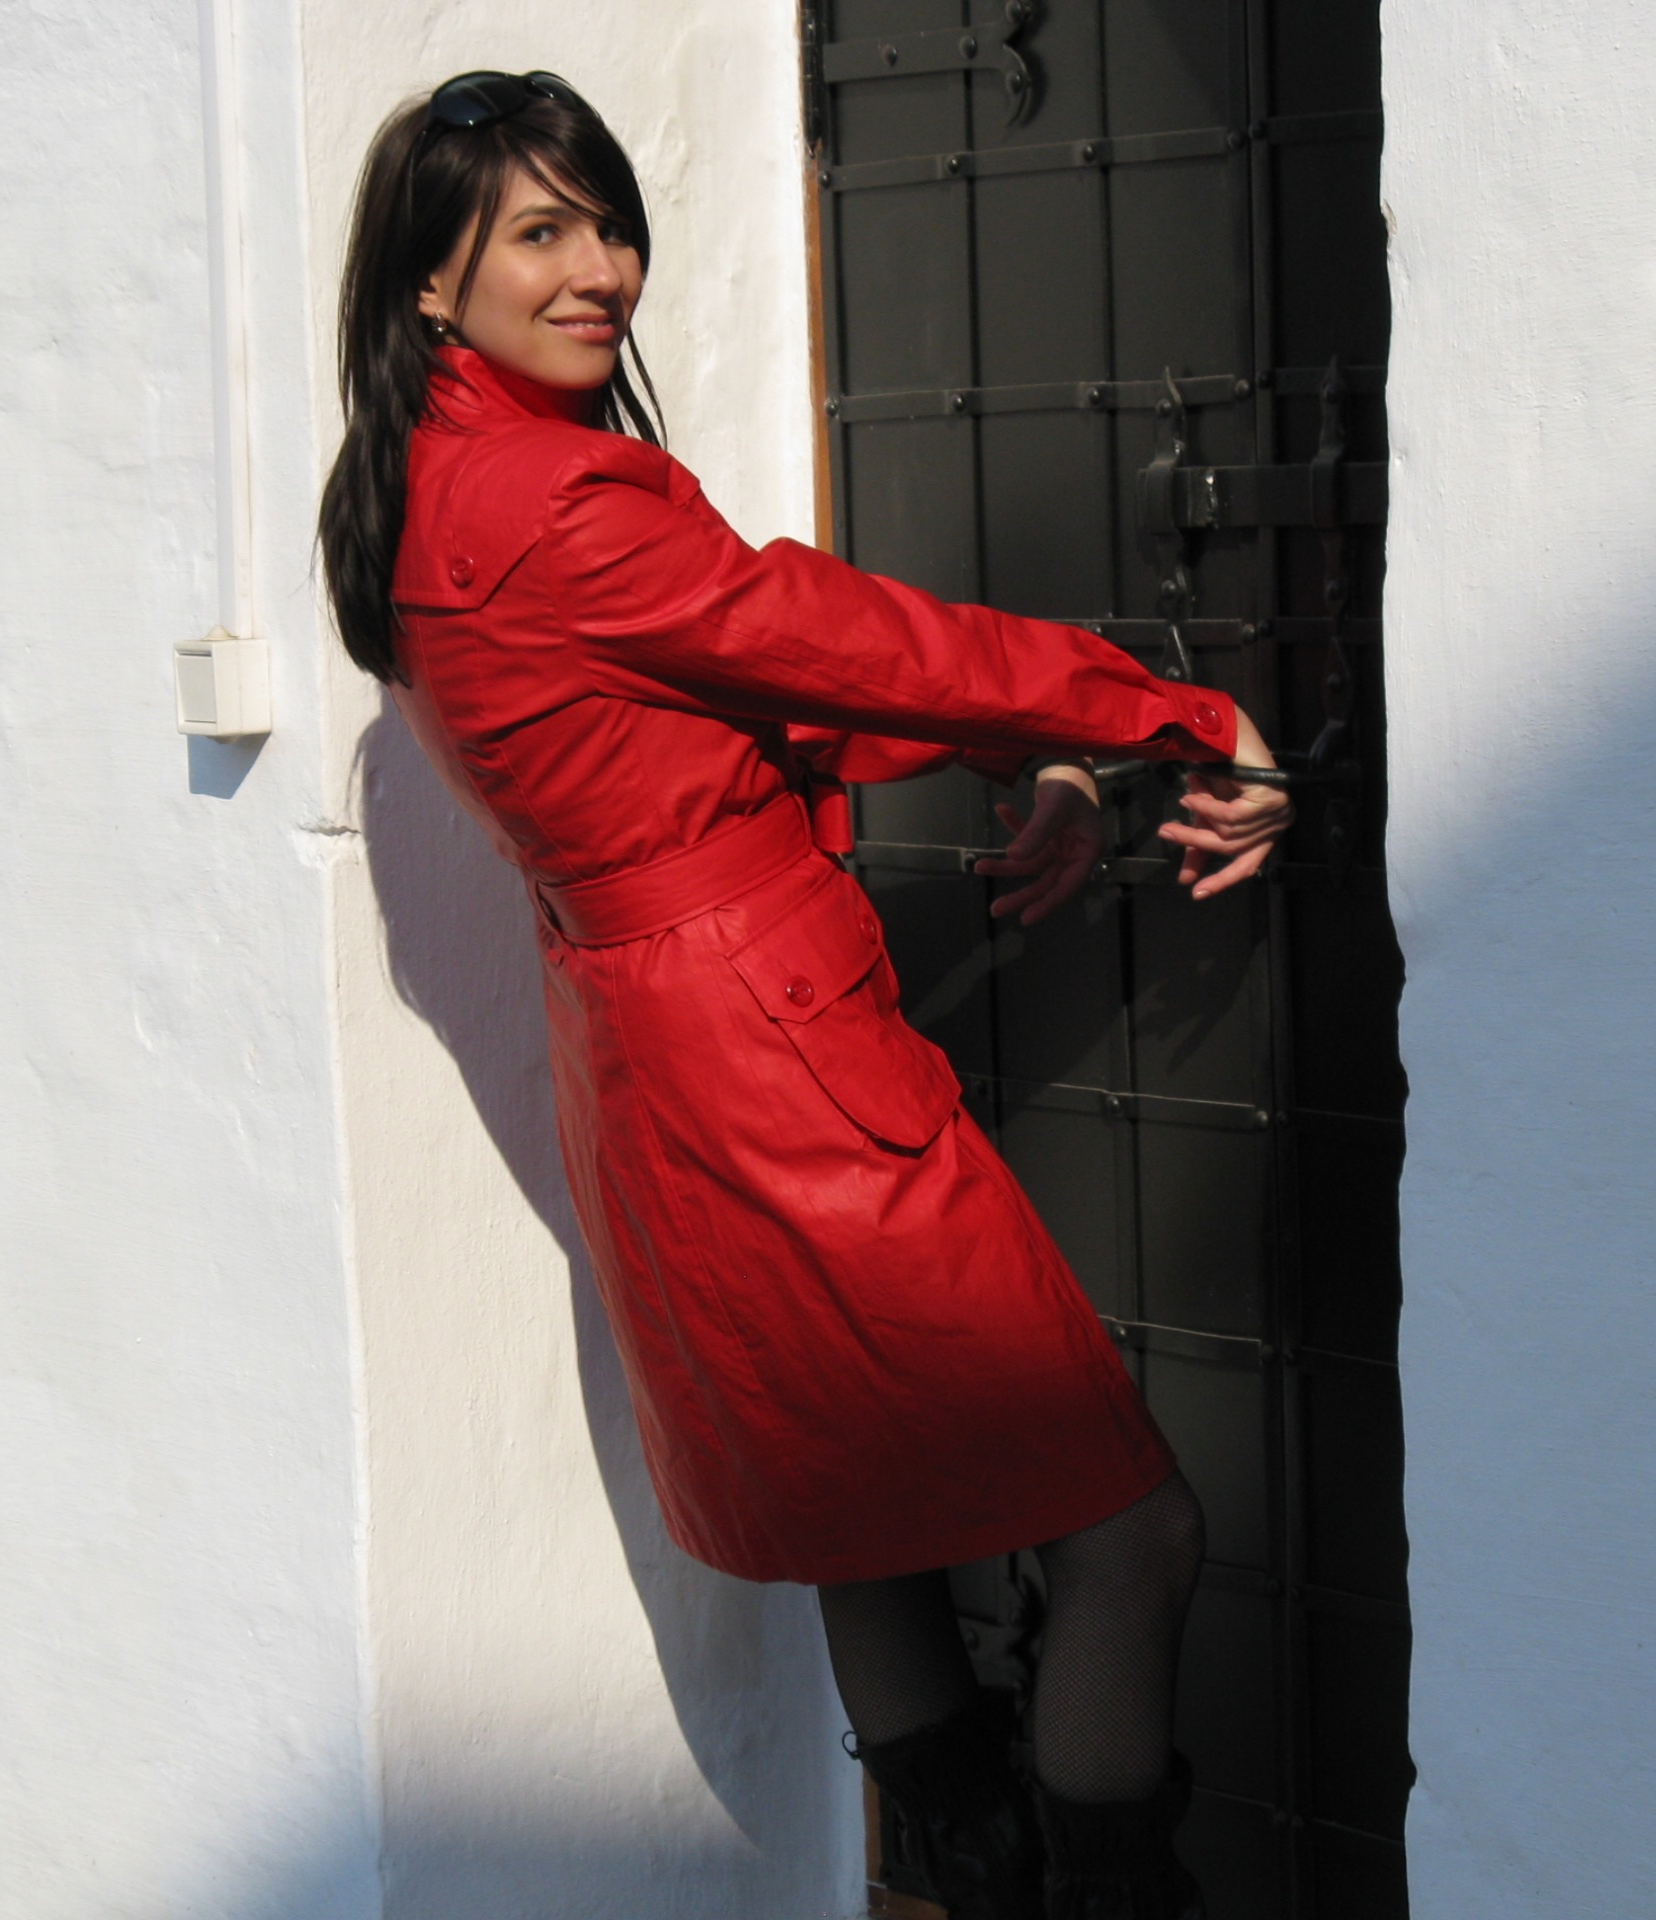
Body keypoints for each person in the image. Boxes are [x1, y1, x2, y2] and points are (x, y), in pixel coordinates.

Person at [318, 70, 1293, 1920]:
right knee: (1133, 1531)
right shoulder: (556, 495)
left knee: (864, 1515)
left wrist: (1021, 749)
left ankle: (970, 1886)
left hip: (651, 1051)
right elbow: (831, 637)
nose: (601, 269)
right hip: (769, 1045)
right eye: (541, 233)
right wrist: (1162, 711)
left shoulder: (429, 489)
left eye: (609, 223)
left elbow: (703, 691)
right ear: (432, 283)